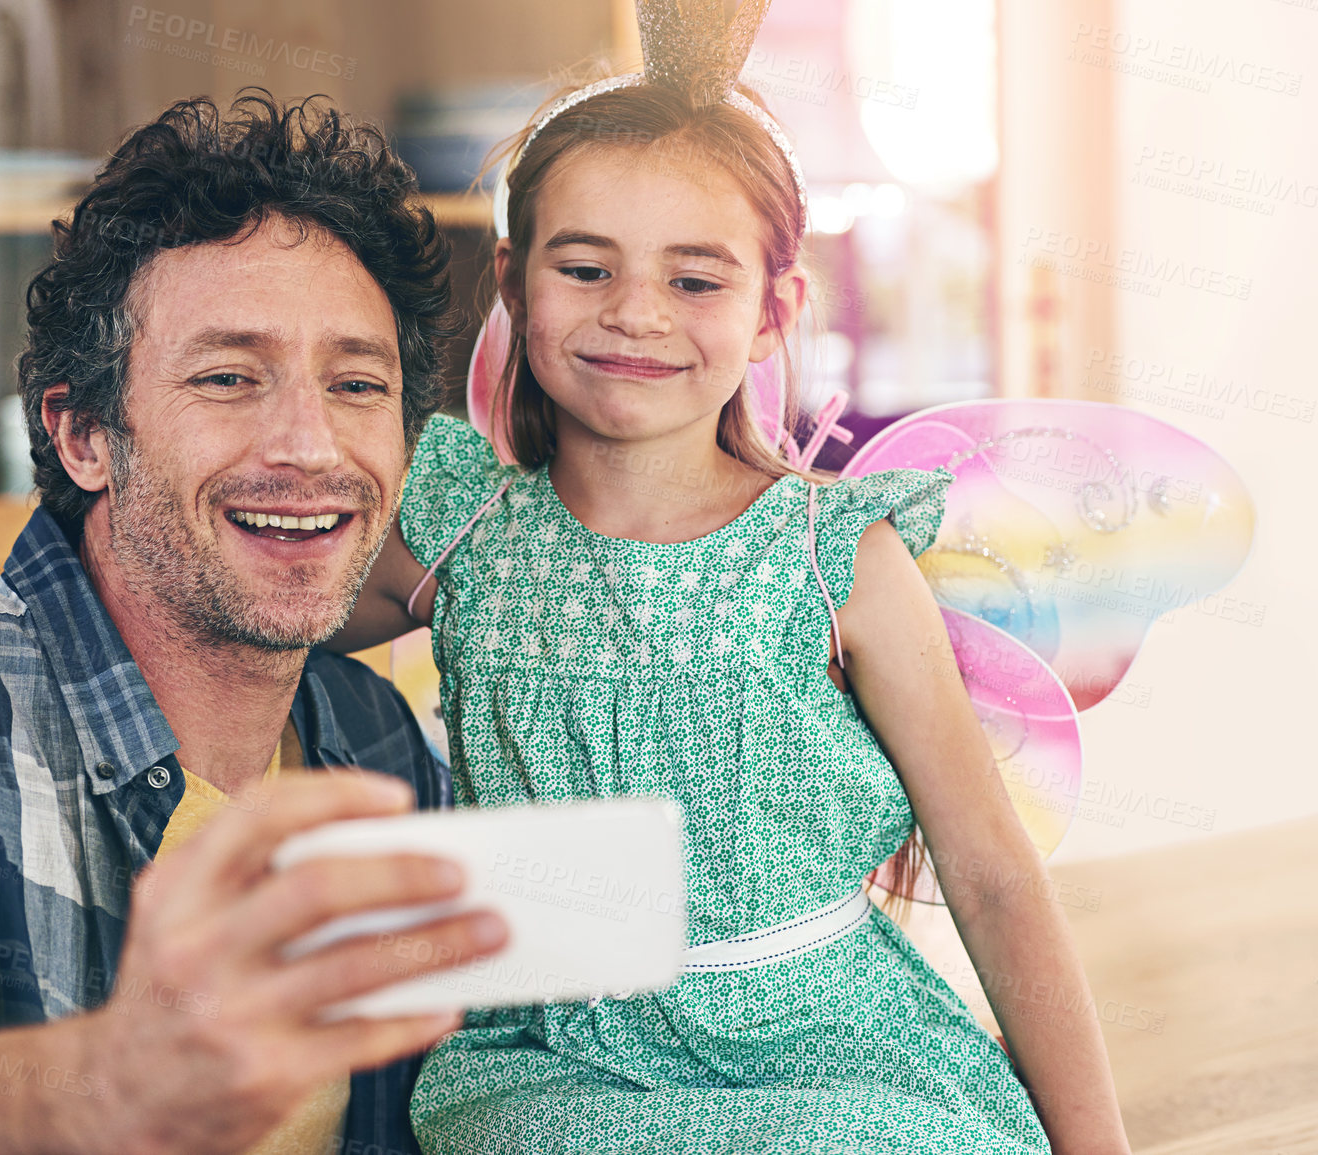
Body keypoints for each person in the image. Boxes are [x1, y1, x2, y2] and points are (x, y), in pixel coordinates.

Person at [328, 3, 1133, 1152]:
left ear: (775, 312)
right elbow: (257, 626)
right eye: (585, 265)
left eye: (696, 281)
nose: (635, 312)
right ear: (512, 282)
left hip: (834, 1044)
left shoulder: (835, 556)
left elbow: (993, 875)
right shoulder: (462, 535)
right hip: (561, 1060)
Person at [0, 92, 507, 1155]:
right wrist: (94, 1093)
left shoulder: (374, 739)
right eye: (229, 378)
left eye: (357, 384)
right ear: (84, 433)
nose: (312, 446)